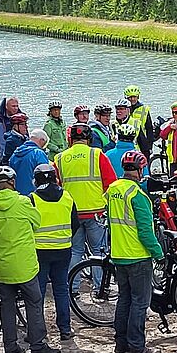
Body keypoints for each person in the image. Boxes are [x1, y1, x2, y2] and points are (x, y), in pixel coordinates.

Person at [0, 166, 61, 353]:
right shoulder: (23, 202)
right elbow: (36, 222)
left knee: (6, 305)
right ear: (13, 182)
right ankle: (38, 345)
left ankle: (10, 347)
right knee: (33, 303)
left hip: (1, 265)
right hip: (24, 264)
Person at [107, 151, 163, 353]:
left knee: (124, 300)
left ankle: (121, 344)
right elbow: (146, 232)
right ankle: (138, 347)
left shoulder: (113, 190)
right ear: (140, 170)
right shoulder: (137, 195)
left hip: (119, 254)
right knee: (140, 303)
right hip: (138, 256)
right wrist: (159, 254)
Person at [55, 123, 116, 290]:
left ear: (70, 139)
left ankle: (73, 288)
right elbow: (110, 183)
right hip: (95, 212)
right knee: (98, 252)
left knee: (75, 251)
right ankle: (100, 288)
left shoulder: (59, 158)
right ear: (89, 139)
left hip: (72, 213)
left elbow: (56, 186)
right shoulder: (97, 155)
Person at [31, 164, 78, 341]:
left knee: (39, 292)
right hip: (63, 249)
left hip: (40, 251)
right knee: (61, 289)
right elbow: (75, 223)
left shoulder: (32, 199)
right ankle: (65, 329)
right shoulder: (66, 196)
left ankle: (38, 332)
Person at [9, 129, 50, 195]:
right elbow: (46, 176)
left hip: (17, 194)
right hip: (34, 194)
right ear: (41, 140)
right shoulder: (38, 153)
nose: (43, 147)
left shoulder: (15, 154)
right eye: (44, 143)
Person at [0, 97, 20, 166]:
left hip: (18, 157)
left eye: (17, 106)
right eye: (13, 106)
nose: (16, 108)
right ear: (6, 106)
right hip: (2, 157)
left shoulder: (21, 120)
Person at [125, 86, 154, 157]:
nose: (132, 99)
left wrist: (150, 146)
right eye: (130, 97)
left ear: (138, 97)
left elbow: (149, 128)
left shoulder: (144, 109)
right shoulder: (123, 109)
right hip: (128, 142)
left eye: (134, 97)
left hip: (142, 142)